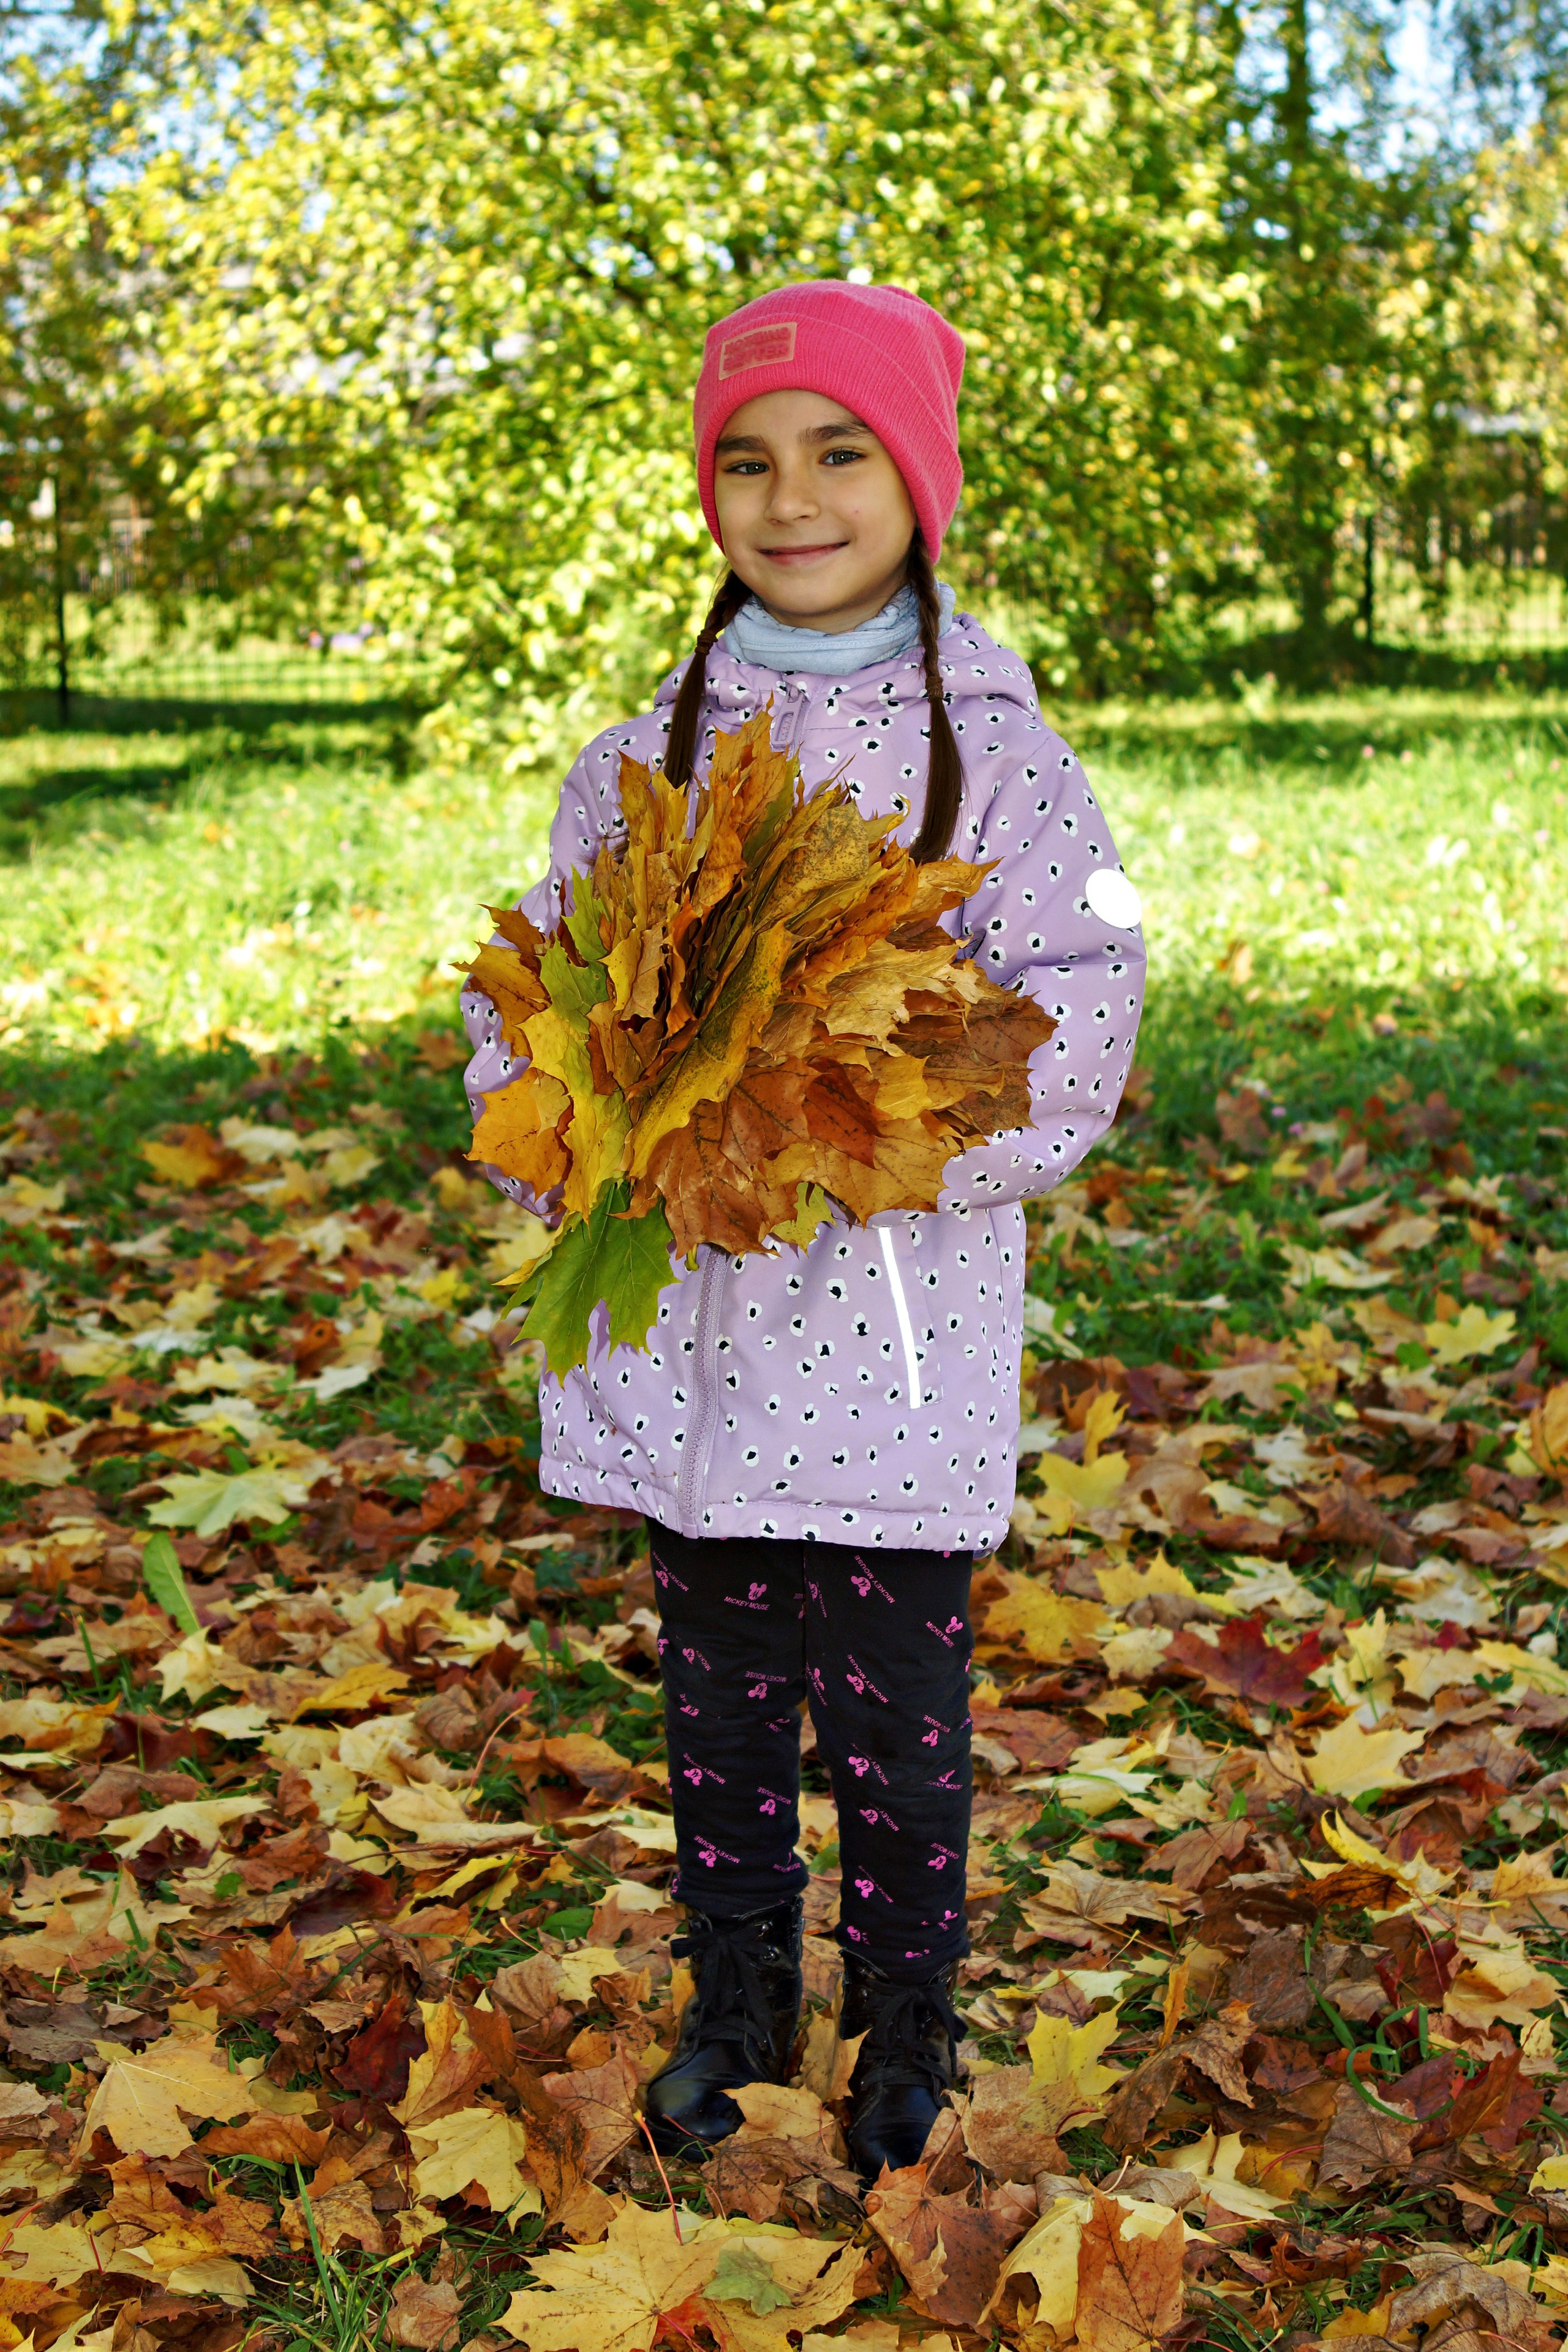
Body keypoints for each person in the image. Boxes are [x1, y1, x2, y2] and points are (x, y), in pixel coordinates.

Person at [461, 279, 1146, 2179]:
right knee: (724, 1704)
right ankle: (741, 2005)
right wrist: (586, 1129)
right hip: (691, 1353)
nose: (791, 496)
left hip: (889, 1352)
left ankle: (908, 2025)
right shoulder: (639, 758)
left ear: (918, 477)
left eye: (841, 451)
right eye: (748, 461)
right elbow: (529, 1017)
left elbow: (1082, 1007)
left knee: (901, 1720)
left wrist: (873, 1138)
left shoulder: (1005, 758)